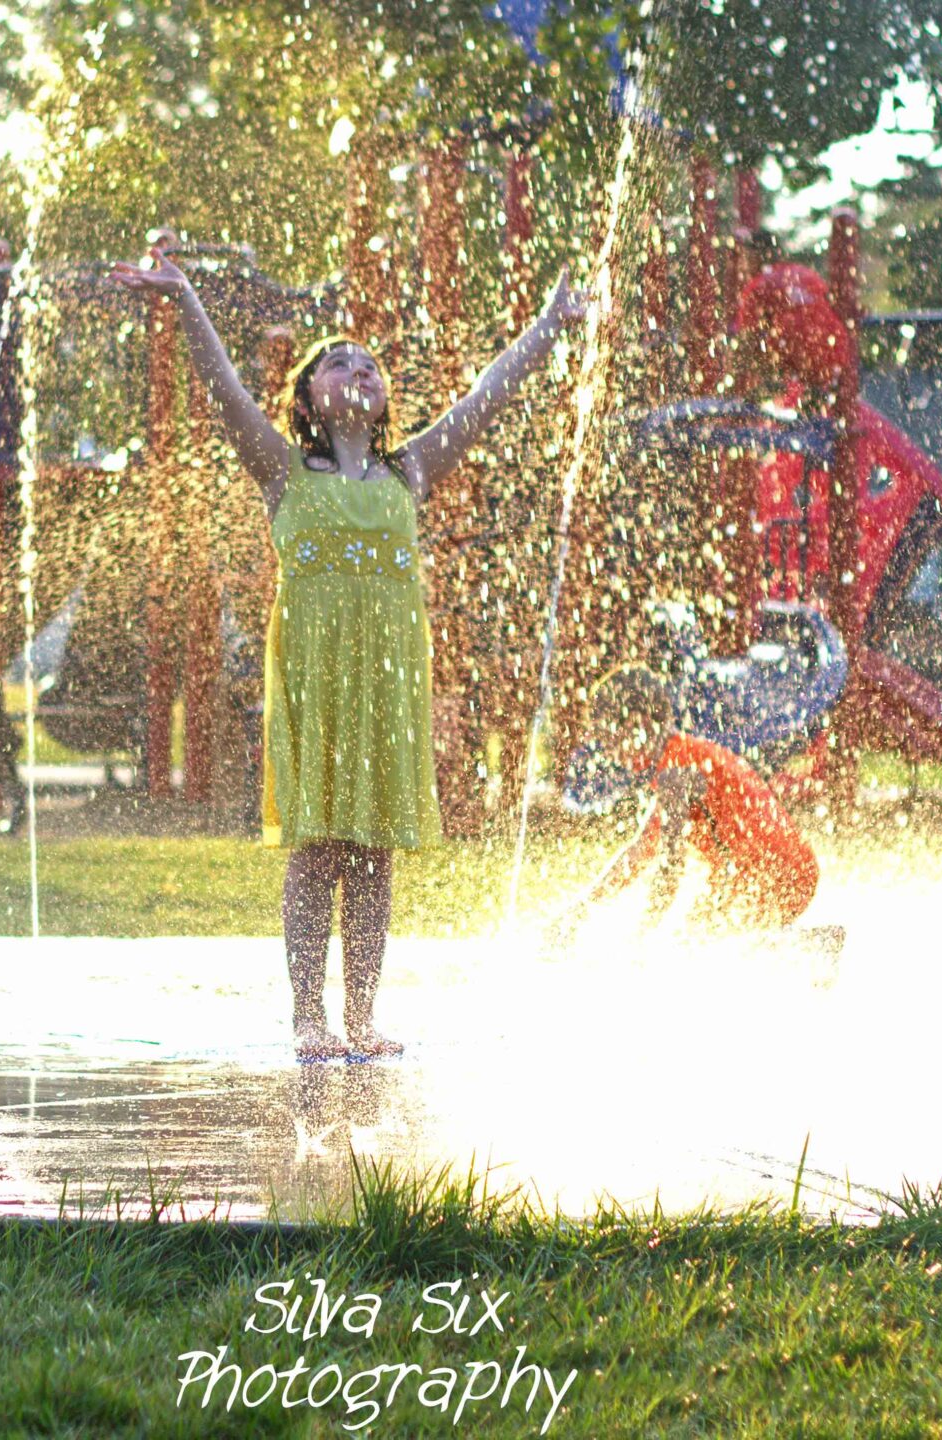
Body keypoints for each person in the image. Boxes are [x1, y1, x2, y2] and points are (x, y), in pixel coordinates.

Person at [110, 249, 586, 1060]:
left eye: (368, 361)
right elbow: (224, 388)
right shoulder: (282, 470)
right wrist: (185, 299)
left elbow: (488, 397)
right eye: (337, 362)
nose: (358, 368)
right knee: (318, 847)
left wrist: (548, 326)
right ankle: (308, 1016)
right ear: (306, 399)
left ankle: (361, 1015)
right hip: (314, 677)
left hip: (389, 679)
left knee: (374, 852)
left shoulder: (411, 469)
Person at [546, 667, 820, 944]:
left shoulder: (677, 769)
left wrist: (641, 936)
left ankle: (811, 946)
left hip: (776, 876)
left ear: (637, 722)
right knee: (695, 936)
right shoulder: (682, 754)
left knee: (695, 945)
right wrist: (580, 911)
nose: (606, 748)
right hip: (780, 870)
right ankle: (806, 945)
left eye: (607, 735)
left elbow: (669, 867)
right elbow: (642, 850)